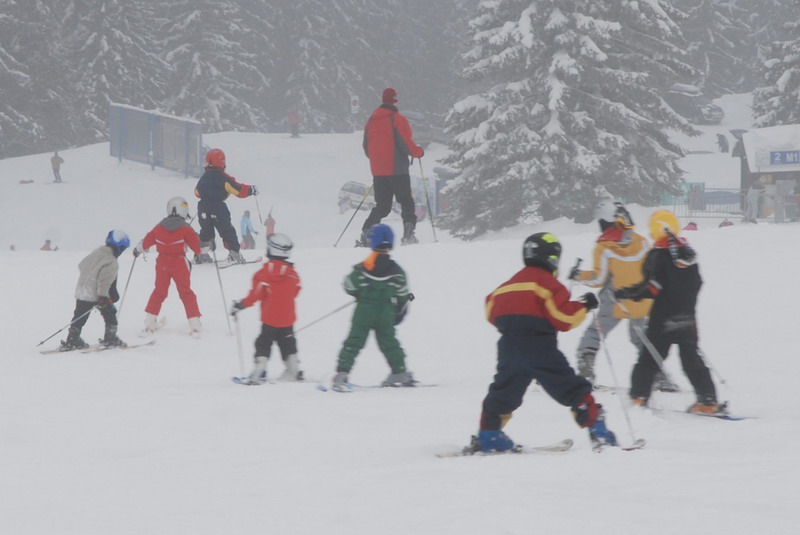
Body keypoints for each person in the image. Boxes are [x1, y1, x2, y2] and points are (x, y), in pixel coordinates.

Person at [469, 232, 617, 453]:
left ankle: (489, 435)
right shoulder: (548, 284)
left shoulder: (508, 285)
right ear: (552, 258)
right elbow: (563, 318)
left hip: (509, 347)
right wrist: (584, 305)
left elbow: (490, 310)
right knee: (570, 387)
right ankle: (598, 429)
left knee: (503, 392)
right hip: (539, 346)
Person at [614, 210, 721, 414]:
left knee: (649, 359)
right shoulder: (688, 254)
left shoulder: (657, 255)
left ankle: (638, 397)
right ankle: (708, 401)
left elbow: (652, 287)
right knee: (691, 360)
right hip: (687, 319)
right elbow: (697, 283)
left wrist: (628, 293)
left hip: (663, 319)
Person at [568, 200, 677, 391]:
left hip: (614, 301)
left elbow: (599, 278)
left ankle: (586, 370)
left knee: (595, 332)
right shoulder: (641, 241)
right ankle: (658, 375)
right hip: (640, 299)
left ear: (605, 221)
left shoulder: (604, 247)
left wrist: (579, 276)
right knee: (641, 338)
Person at [332, 224, 415, 392]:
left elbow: (349, 285)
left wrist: (358, 293)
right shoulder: (397, 271)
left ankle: (342, 374)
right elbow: (403, 293)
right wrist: (400, 310)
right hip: (386, 312)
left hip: (363, 312)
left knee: (354, 342)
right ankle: (400, 372)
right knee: (389, 342)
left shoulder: (363, 268)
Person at [230, 233, 303, 384]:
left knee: (263, 343)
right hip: (287, 319)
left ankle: (260, 369)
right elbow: (296, 291)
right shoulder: (293, 275)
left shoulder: (262, 275)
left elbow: (255, 296)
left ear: (272, 250)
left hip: (269, 319)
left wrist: (240, 305)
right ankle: (293, 369)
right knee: (288, 343)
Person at [360, 88, 425, 246]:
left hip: (378, 171)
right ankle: (408, 235)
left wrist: (378, 161)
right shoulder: (397, 119)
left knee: (382, 206)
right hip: (397, 170)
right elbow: (406, 143)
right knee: (406, 201)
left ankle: (367, 233)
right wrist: (418, 152)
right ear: (395, 101)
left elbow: (366, 147)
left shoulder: (371, 121)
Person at [133, 197, 202, 338]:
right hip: (179, 263)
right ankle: (194, 324)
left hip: (162, 263)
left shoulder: (159, 227)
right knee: (186, 293)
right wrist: (209, 245)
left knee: (159, 292)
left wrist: (137, 250)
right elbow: (198, 248)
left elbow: (146, 241)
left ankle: (149, 323)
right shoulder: (186, 228)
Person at [59, 230, 130, 350]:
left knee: (79, 316)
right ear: (118, 247)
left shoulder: (96, 253)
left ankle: (72, 339)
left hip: (82, 290)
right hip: (97, 294)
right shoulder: (111, 261)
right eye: (123, 248)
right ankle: (110, 338)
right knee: (110, 314)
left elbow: (81, 265)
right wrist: (103, 296)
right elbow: (105, 280)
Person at [194, 148, 258, 264]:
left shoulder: (204, 178)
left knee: (206, 232)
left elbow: (197, 193)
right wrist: (251, 190)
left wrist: (208, 195)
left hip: (203, 207)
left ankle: (201, 255)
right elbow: (239, 190)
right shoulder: (224, 178)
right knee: (227, 231)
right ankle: (234, 254)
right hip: (218, 208)